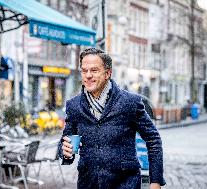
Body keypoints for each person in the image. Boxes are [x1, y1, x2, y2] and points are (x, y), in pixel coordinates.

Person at [58, 48, 166, 189]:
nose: (88, 75)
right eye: (84, 71)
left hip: (125, 184)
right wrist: (65, 151)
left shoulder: (130, 103)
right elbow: (67, 144)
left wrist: (155, 181)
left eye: (94, 70)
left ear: (107, 73)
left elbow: (153, 139)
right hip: (88, 184)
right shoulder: (74, 106)